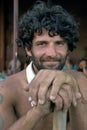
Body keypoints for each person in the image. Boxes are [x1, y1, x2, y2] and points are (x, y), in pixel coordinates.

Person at [0, 1, 87, 130]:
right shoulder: (6, 90)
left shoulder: (80, 81)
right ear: (29, 49)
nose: (52, 53)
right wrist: (38, 112)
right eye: (42, 44)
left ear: (68, 49)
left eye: (59, 43)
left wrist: (75, 93)